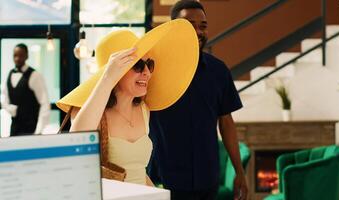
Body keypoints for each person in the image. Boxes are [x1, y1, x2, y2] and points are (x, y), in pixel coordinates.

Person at [56, 19, 199, 186]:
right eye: (137, 65)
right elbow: (76, 140)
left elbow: (138, 173)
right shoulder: (89, 112)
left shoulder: (144, 110)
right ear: (114, 70)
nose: (146, 72)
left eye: (149, 64)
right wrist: (107, 79)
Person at [148, 1, 248, 199]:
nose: (198, 31)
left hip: (207, 178)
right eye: (189, 25)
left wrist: (239, 171)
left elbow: (226, 122)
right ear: (173, 28)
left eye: (203, 26)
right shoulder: (152, 70)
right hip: (163, 179)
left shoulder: (219, 71)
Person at [2, 43, 50, 136]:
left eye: (21, 55)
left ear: (27, 56)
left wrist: (39, 131)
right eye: (15, 55)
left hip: (31, 128)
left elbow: (44, 103)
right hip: (14, 127)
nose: (17, 58)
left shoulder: (35, 75)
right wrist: (11, 109)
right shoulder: (10, 73)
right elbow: (4, 99)